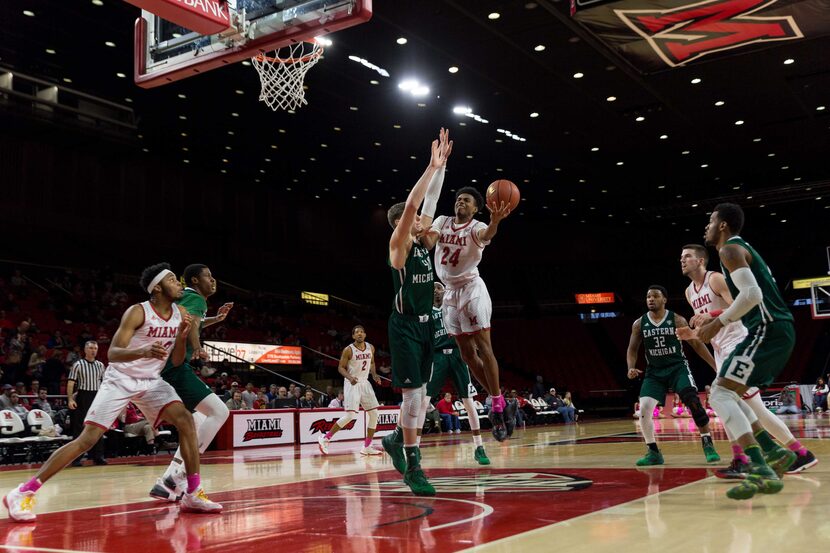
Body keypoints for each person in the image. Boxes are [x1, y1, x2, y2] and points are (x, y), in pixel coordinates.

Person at [3, 263, 221, 522]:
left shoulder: (180, 312)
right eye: (173, 280)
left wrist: (183, 337)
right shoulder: (138, 312)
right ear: (158, 288)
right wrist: (144, 351)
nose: (179, 285)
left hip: (151, 381)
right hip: (120, 379)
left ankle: (192, 492)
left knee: (186, 421)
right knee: (87, 440)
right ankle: (23, 492)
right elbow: (114, 353)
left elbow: (175, 362)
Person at [686, 203, 797, 499]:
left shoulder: (729, 250)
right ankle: (774, 454)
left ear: (723, 225)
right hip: (774, 330)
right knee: (729, 395)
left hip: (766, 330)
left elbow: (752, 295)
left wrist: (717, 321)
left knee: (721, 395)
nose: (706, 226)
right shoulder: (736, 250)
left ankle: (760, 465)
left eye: (710, 220)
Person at [679, 244, 817, 478]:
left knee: (753, 407)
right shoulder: (689, 292)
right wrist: (692, 334)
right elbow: (708, 327)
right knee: (728, 405)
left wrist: (710, 315)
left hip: (740, 343)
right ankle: (747, 458)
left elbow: (740, 304)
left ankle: (796, 453)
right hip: (721, 349)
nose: (682, 260)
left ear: (701, 260)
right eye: (681, 257)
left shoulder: (716, 279)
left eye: (688, 256)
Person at [381, 128, 453, 497]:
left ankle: (395, 439)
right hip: (405, 327)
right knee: (412, 399)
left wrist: (440, 170)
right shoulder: (399, 247)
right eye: (417, 219)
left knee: (422, 400)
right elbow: (412, 208)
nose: (427, 219)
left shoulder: (424, 242)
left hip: (428, 327)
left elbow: (427, 206)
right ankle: (413, 465)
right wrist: (429, 167)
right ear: (402, 226)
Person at [421, 180, 515, 442]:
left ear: (476, 209)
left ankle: (496, 407)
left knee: (484, 348)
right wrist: (421, 231)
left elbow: (487, 236)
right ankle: (501, 402)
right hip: (449, 292)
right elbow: (429, 242)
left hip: (471, 288)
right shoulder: (442, 220)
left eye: (467, 200)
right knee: (467, 355)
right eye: (458, 198)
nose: (460, 202)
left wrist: (496, 222)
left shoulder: (478, 227)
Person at [150, 264, 232, 503]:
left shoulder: (187, 299)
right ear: (195, 280)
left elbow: (192, 321)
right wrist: (197, 347)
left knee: (196, 419)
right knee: (219, 412)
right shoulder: (196, 298)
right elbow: (192, 326)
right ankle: (182, 473)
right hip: (175, 368)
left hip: (162, 368)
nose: (213, 279)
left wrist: (216, 318)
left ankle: (167, 482)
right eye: (208, 275)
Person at [626, 285, 721, 467]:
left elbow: (696, 345)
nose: (650, 299)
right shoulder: (639, 323)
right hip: (654, 372)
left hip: (677, 368)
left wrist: (715, 366)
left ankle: (707, 442)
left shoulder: (676, 320)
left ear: (664, 300)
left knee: (692, 401)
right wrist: (631, 367)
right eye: (648, 297)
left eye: (655, 296)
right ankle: (653, 452)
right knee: (644, 409)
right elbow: (632, 349)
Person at [422, 281, 489, 463]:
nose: (436, 291)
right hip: (438, 358)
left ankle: (479, 447)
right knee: (423, 401)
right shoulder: (427, 313)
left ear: (445, 291)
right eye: (433, 289)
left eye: (439, 288)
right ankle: (415, 447)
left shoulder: (456, 307)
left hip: (459, 356)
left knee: (469, 402)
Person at [319, 325, 382, 456]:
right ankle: (325, 438)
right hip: (352, 383)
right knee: (351, 415)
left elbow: (372, 363)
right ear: (353, 336)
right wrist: (349, 377)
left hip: (365, 383)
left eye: (362, 332)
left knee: (374, 414)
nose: (359, 334)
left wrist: (374, 375)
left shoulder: (371, 348)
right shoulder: (348, 350)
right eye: (357, 332)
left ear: (365, 334)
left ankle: (367, 446)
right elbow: (340, 367)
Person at [67, 341, 107, 466]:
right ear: (85, 350)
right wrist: (70, 399)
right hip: (83, 396)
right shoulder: (78, 364)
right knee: (79, 428)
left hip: (97, 396)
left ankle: (98, 456)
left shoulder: (100, 365)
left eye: (95, 348)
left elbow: (105, 383)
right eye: (90, 348)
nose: (93, 350)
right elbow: (71, 383)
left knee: (98, 426)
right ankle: (76, 458)